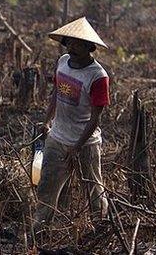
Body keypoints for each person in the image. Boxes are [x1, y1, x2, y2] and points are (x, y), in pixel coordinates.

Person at [33, 17, 110, 233]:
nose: (73, 47)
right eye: (70, 43)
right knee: (46, 187)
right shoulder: (62, 62)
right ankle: (39, 232)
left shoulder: (97, 76)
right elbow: (56, 93)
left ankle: (101, 230)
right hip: (57, 138)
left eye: (79, 44)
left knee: (94, 190)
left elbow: (95, 118)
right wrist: (47, 120)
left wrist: (77, 147)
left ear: (89, 47)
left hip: (86, 144)